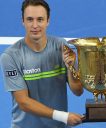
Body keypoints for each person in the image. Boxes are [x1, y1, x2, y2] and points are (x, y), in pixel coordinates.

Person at [0, 0, 84, 128]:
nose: (35, 25)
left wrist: (71, 68)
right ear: (23, 21)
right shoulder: (10, 56)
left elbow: (78, 91)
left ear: (47, 21)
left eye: (40, 19)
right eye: (29, 19)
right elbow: (23, 102)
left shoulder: (62, 47)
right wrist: (63, 116)